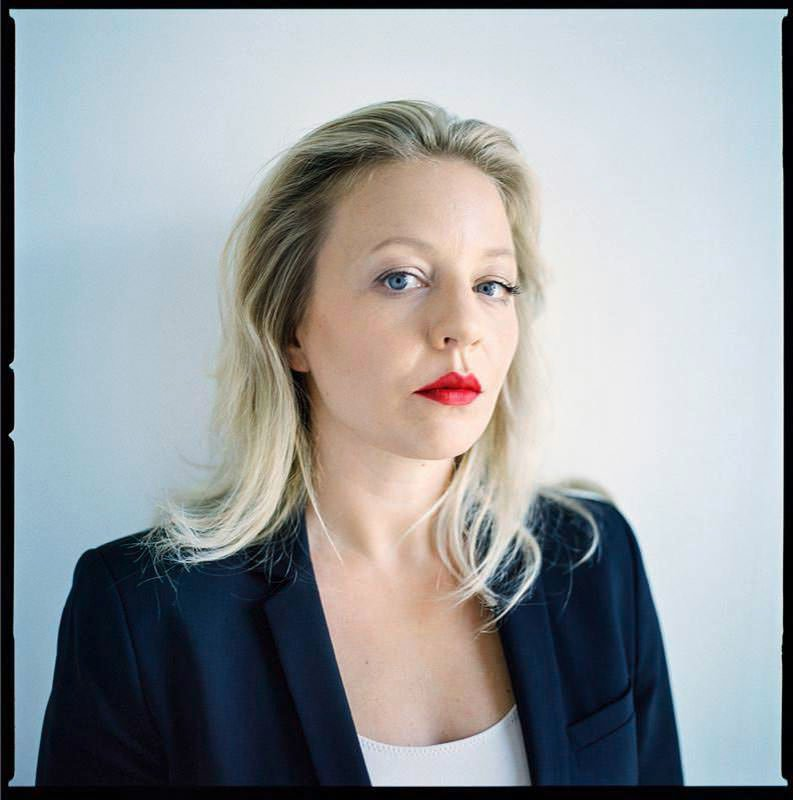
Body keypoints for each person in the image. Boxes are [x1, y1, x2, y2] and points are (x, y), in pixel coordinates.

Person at [35, 99, 683, 786]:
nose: (463, 326)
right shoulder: (145, 613)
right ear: (291, 328)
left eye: (492, 284)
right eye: (400, 279)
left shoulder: (594, 558)